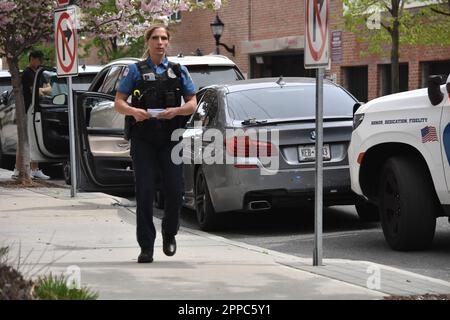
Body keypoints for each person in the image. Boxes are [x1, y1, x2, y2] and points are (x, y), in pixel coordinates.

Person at [115, 26, 197, 263]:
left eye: (163, 38)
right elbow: (118, 102)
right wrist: (133, 112)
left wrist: (177, 111)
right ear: (148, 42)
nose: (159, 42)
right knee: (145, 191)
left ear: (168, 43)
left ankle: (169, 234)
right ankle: (146, 246)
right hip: (143, 138)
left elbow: (192, 103)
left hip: (171, 138)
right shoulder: (134, 70)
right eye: (155, 38)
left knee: (175, 190)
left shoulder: (178, 70)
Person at [12, 50, 50, 180]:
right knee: (26, 139)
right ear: (32, 59)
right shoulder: (27, 73)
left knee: (34, 138)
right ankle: (19, 168)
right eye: (39, 60)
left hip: (37, 108)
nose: (41, 62)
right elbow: (34, 91)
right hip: (29, 109)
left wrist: (42, 90)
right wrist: (42, 90)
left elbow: (49, 89)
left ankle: (34, 168)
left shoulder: (39, 72)